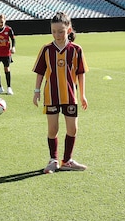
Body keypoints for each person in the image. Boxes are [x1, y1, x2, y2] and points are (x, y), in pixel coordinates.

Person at [32, 11, 88, 173]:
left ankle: (67, 160)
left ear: (69, 30)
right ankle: (53, 160)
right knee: (52, 129)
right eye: (54, 31)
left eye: (61, 31)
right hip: (51, 96)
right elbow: (40, 72)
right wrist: (36, 91)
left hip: (70, 96)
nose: (57, 34)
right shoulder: (46, 49)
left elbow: (81, 73)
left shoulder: (76, 50)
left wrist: (83, 94)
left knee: (73, 129)